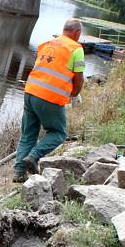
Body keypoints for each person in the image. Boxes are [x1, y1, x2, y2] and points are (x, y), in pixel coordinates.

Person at [13, 18, 85, 183]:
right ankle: (34, 156)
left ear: (64, 29)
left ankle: (19, 172)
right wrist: (74, 94)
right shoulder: (76, 49)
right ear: (77, 33)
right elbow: (79, 79)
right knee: (58, 133)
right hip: (50, 97)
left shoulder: (47, 43)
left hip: (30, 92)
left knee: (28, 134)